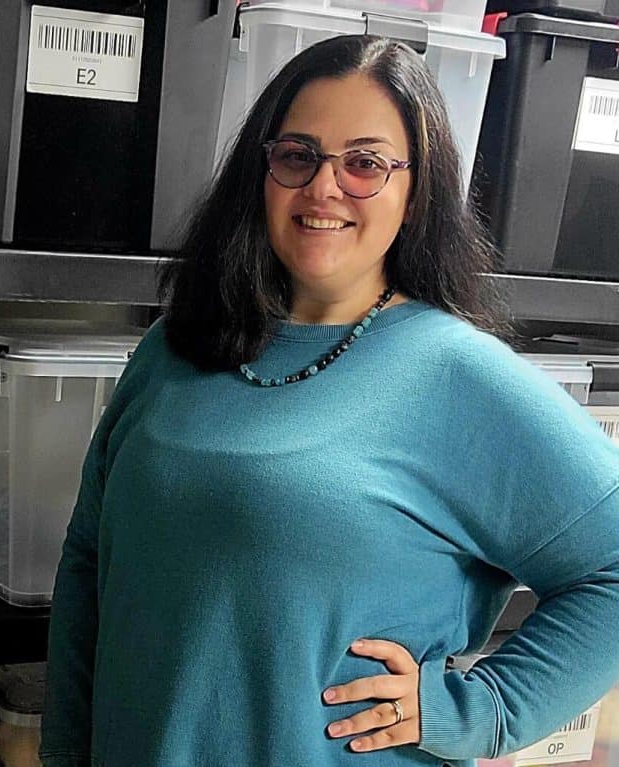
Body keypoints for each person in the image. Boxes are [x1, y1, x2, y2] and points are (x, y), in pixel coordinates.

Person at [39, 34, 619, 767]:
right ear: (263, 171)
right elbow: (90, 562)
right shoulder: (174, 348)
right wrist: (63, 749)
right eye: (297, 155)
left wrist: (485, 711)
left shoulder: (456, 375)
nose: (324, 187)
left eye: (365, 163)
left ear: (416, 192)